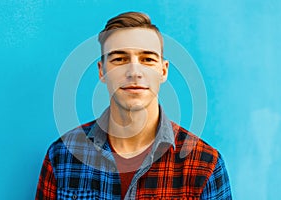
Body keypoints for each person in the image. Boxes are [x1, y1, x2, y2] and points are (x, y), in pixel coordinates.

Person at [36, 11, 232, 200]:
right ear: (102, 71)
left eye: (147, 59)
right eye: (120, 59)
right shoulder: (62, 155)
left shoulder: (205, 165)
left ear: (163, 71)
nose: (134, 72)